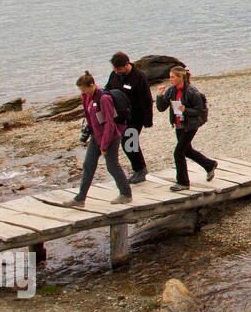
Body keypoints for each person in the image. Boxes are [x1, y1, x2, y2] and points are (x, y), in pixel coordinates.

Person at [58, 71, 132, 207]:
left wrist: (104, 146)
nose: (83, 93)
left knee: (112, 165)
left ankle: (126, 194)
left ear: (92, 85)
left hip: (110, 136)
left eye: (84, 90)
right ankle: (80, 198)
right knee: (88, 165)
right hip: (96, 136)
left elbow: (110, 124)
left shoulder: (104, 99)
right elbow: (89, 116)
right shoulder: (87, 97)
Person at [155, 65, 217, 191]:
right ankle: (210, 165)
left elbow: (200, 111)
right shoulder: (171, 91)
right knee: (187, 150)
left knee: (178, 153)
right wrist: (159, 96)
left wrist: (185, 110)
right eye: (170, 77)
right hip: (179, 124)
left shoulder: (192, 92)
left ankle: (183, 182)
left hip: (191, 125)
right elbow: (161, 108)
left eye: (172, 77)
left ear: (180, 78)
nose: (170, 79)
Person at [105, 51, 153, 184]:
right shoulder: (114, 75)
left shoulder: (138, 77)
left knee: (129, 142)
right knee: (128, 143)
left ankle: (140, 169)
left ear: (127, 65)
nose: (116, 71)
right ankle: (138, 169)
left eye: (119, 69)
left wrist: (148, 120)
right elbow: (108, 89)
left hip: (136, 116)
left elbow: (147, 99)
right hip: (120, 116)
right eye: (114, 69)